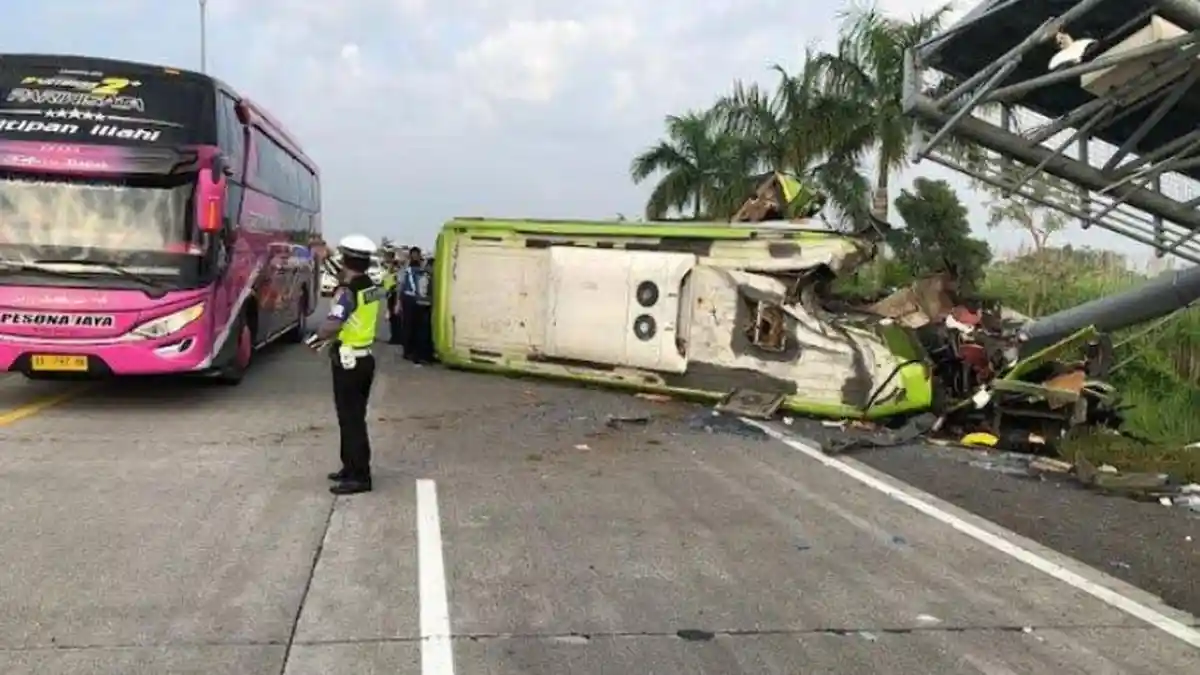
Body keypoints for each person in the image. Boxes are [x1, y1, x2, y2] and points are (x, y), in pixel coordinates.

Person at [307, 234, 383, 495]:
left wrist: (315, 339)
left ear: (348, 261)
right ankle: (350, 466)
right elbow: (345, 275)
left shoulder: (349, 292)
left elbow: (333, 323)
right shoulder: (370, 285)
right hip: (364, 359)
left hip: (350, 363)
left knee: (351, 420)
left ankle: (360, 476)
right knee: (352, 418)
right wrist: (327, 257)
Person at [399, 246, 433, 364]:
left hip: (419, 300)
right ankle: (407, 351)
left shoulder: (423, 268)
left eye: (416, 255)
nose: (415, 257)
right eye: (413, 255)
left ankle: (415, 350)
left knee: (418, 326)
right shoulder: (406, 269)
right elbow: (401, 285)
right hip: (408, 298)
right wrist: (398, 303)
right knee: (408, 325)